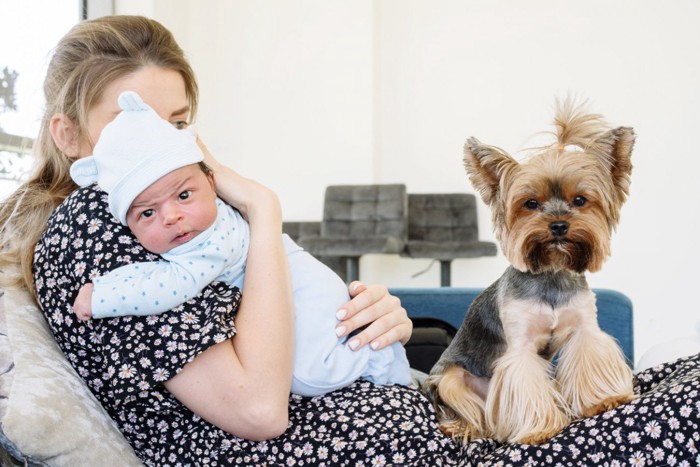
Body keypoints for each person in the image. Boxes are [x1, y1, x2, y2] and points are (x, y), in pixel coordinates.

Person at [2, 14, 699, 467]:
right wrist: (267, 212)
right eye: (138, 123)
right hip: (352, 446)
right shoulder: (100, 232)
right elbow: (258, 408)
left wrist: (381, 317)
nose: (168, 147)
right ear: (70, 136)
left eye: (179, 123)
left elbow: (269, 315)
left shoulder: (179, 213)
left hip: (395, 408)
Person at [69, 89, 412, 397]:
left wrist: (102, 295)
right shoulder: (172, 210)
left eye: (177, 124)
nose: (171, 216)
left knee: (310, 375)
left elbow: (170, 284)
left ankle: (384, 366)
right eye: (146, 214)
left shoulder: (213, 238)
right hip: (307, 299)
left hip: (310, 298)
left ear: (212, 181)